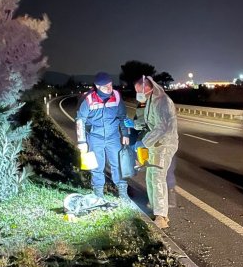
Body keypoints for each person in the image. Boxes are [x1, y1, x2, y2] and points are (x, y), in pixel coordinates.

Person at [75, 72, 130, 199]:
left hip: (113, 137)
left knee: (118, 163)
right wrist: (82, 142)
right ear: (98, 87)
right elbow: (80, 120)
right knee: (97, 165)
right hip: (95, 137)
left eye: (110, 85)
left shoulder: (116, 96)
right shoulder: (88, 99)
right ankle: (98, 193)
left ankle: (123, 192)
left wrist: (125, 134)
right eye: (106, 86)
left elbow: (123, 116)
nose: (109, 88)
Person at [134, 76, 178, 228]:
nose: (138, 94)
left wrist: (143, 142)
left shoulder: (163, 102)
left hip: (165, 144)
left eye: (139, 91)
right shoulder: (150, 101)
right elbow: (148, 121)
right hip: (154, 144)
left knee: (158, 177)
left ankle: (161, 216)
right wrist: (134, 124)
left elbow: (162, 127)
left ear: (147, 88)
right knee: (150, 177)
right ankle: (156, 207)